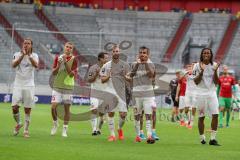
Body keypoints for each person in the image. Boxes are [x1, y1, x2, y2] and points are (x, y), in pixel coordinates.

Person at [100, 45, 130, 141]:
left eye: (117, 51)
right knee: (111, 113)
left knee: (123, 114)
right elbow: (102, 80)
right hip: (110, 91)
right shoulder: (106, 65)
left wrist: (125, 77)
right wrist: (109, 76)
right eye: (114, 51)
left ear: (119, 53)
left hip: (121, 91)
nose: (116, 53)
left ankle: (119, 129)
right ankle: (112, 134)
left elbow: (129, 79)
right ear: (112, 53)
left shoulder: (125, 65)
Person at [11, 38, 39, 138]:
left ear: (31, 45)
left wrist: (29, 56)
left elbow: (36, 65)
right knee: (14, 107)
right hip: (18, 84)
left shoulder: (35, 55)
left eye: (28, 43)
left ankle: (26, 130)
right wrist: (22, 55)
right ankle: (19, 123)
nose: (26, 45)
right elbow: (13, 65)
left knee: (27, 109)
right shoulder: (17, 54)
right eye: (24, 43)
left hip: (29, 85)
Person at [193, 48, 220, 146]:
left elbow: (217, 82)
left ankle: (213, 139)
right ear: (202, 54)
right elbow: (196, 81)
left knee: (215, 115)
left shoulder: (215, 65)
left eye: (208, 53)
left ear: (211, 54)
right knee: (201, 117)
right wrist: (201, 71)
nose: (206, 54)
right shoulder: (196, 65)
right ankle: (202, 138)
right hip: (200, 94)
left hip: (212, 93)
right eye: (204, 53)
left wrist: (215, 71)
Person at [50, 42, 78, 137]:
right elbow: (53, 72)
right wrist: (58, 65)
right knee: (53, 107)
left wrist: (65, 63)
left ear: (72, 49)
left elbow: (71, 74)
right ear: (64, 47)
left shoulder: (74, 60)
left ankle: (64, 130)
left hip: (68, 87)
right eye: (67, 47)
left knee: (67, 109)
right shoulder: (58, 58)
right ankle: (55, 124)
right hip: (57, 85)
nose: (68, 49)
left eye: (70, 47)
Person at [130, 46, 156, 144]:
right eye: (141, 52)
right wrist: (137, 64)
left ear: (148, 54)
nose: (142, 54)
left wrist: (145, 64)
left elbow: (151, 75)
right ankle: (138, 135)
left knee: (148, 114)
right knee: (137, 115)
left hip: (148, 93)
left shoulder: (151, 64)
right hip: (136, 93)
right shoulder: (134, 63)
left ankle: (149, 135)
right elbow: (131, 75)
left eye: (144, 53)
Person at [87, 52, 109, 135]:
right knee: (94, 110)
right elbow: (89, 80)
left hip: (104, 94)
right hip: (95, 93)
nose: (107, 60)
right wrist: (96, 74)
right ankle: (94, 130)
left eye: (107, 58)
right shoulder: (93, 68)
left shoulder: (108, 68)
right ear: (100, 59)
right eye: (106, 58)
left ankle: (99, 129)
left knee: (102, 114)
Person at [184, 62, 197, 129]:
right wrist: (188, 72)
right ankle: (186, 119)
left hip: (195, 92)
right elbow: (183, 77)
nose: (193, 66)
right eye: (192, 65)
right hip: (188, 92)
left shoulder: (198, 73)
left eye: (194, 65)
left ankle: (191, 122)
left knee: (194, 108)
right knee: (186, 108)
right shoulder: (187, 72)